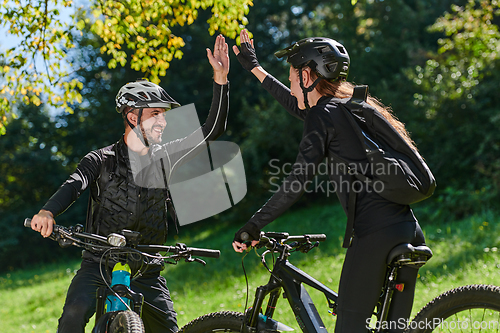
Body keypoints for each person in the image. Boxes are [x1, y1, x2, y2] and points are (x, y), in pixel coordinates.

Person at [29, 34, 230, 333]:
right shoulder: (101, 158)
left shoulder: (167, 157)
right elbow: (74, 184)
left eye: (163, 114)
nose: (163, 121)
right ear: (133, 116)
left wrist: (221, 80)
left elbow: (212, 129)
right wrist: (48, 212)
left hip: (147, 269)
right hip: (99, 264)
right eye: (155, 114)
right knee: (71, 318)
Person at [231, 30, 426, 333]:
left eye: (293, 78)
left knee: (348, 327)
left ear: (307, 76)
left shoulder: (326, 115)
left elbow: (297, 180)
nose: (292, 86)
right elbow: (300, 106)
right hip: (408, 229)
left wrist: (254, 224)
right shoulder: (348, 106)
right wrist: (255, 68)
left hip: (375, 234)